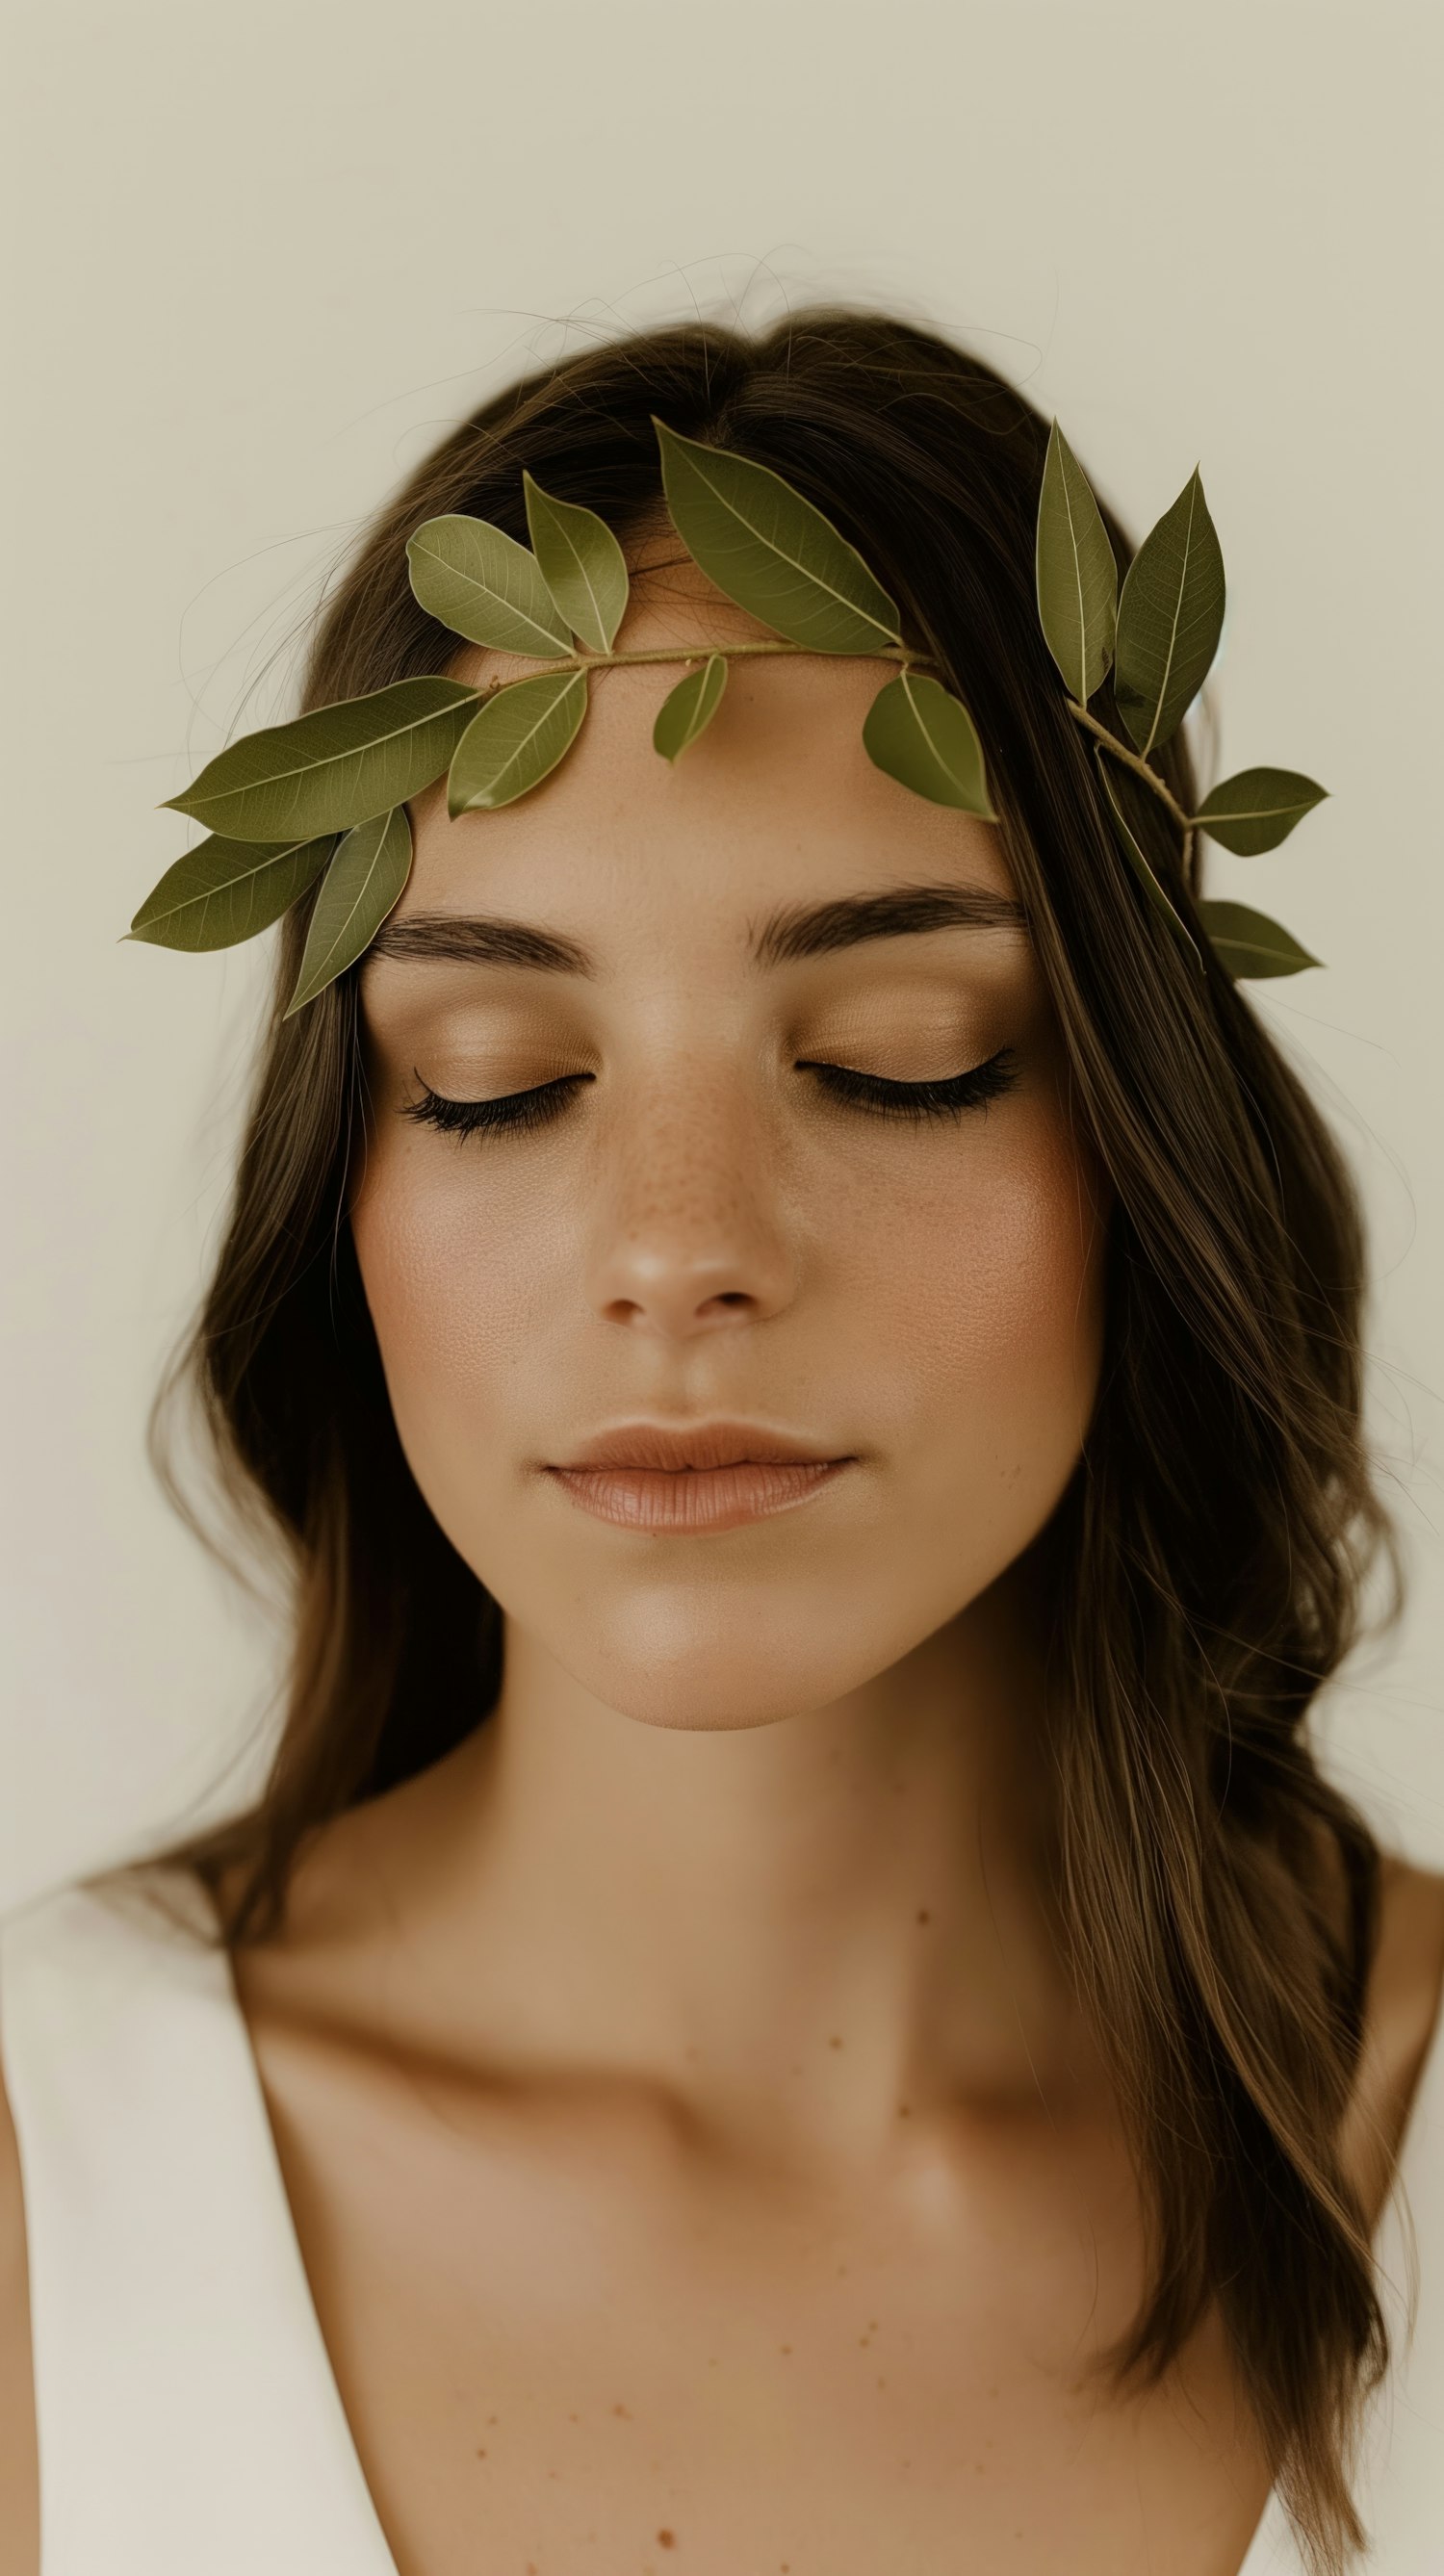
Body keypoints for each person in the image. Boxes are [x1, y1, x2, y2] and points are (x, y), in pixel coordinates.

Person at [1, 311, 1440, 2576]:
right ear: (344, 1186)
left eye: (898, 1053)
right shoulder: (37, 2195)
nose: (679, 1255)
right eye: (492, 1072)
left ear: (1146, 1145)